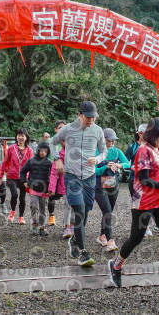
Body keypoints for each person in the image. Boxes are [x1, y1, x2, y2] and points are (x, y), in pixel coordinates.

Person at [109, 117, 159, 289]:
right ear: (154, 133)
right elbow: (144, 179)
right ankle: (116, 265)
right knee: (136, 238)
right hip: (143, 202)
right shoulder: (143, 150)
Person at [49, 101, 107, 267]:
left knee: (86, 212)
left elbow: (104, 151)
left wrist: (97, 159)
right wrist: (57, 159)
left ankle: (75, 240)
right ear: (79, 115)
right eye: (88, 117)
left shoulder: (98, 130)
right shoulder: (67, 129)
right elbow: (52, 142)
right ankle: (83, 252)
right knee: (79, 211)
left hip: (89, 177)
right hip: (72, 176)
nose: (91, 120)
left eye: (94, 117)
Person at [95, 128, 130, 252]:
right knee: (108, 212)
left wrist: (118, 165)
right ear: (102, 139)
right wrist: (105, 166)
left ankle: (102, 236)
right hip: (98, 186)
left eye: (113, 141)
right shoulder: (96, 151)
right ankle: (110, 240)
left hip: (113, 185)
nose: (111, 143)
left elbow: (127, 164)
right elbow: (93, 170)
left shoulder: (117, 151)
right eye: (109, 140)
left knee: (108, 212)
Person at [0, 127, 33, 224]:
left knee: (22, 198)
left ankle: (21, 217)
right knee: (14, 195)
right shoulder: (11, 148)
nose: (20, 137)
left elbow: (32, 165)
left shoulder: (29, 150)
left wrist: (29, 178)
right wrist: (0, 176)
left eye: (22, 136)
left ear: (26, 137)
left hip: (24, 178)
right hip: (12, 176)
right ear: (16, 137)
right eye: (19, 135)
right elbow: (4, 162)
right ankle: (12, 211)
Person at [20, 141, 53, 235]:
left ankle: (42, 226)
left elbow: (53, 176)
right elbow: (23, 171)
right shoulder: (31, 161)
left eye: (45, 151)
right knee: (34, 206)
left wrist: (52, 188)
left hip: (45, 189)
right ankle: (34, 224)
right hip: (33, 188)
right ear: (38, 150)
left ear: (48, 152)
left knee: (43, 208)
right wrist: (24, 182)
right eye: (42, 150)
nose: (43, 153)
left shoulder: (49, 163)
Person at [47, 120, 67, 226]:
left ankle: (68, 223)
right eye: (60, 128)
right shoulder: (51, 141)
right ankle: (51, 216)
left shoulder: (69, 140)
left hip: (63, 172)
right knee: (52, 196)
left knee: (67, 198)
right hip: (52, 170)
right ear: (55, 129)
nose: (62, 129)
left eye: (64, 127)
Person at [124, 124, 147, 199]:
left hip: (148, 179)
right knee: (136, 202)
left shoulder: (152, 147)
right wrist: (131, 167)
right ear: (140, 134)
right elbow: (124, 163)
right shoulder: (132, 147)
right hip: (134, 179)